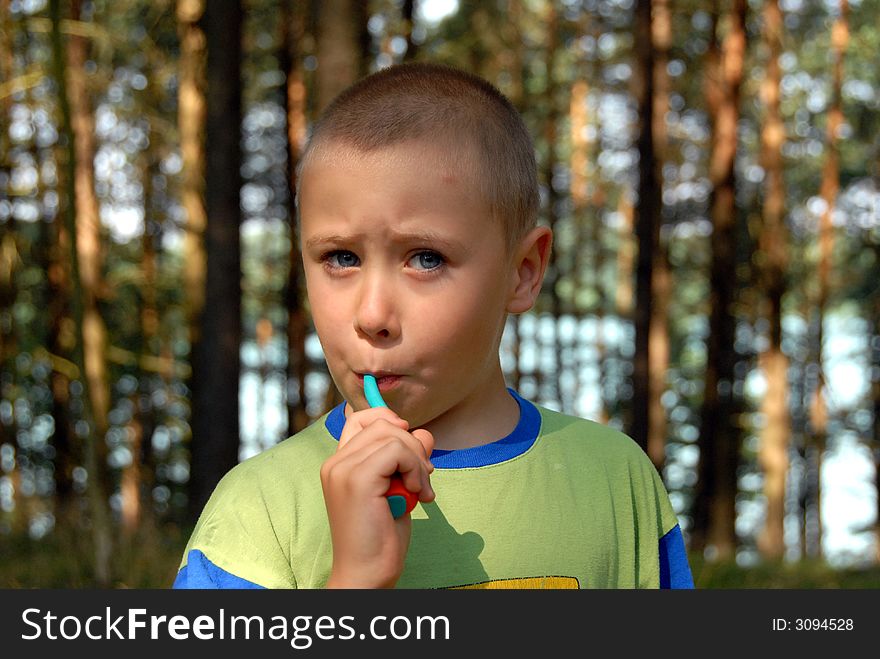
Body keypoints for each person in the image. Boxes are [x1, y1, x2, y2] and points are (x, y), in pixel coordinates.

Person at [172, 62, 694, 589]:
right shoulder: (258, 513)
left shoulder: (614, 482)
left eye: (425, 259)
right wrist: (356, 579)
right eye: (341, 258)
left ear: (523, 272)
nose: (372, 316)